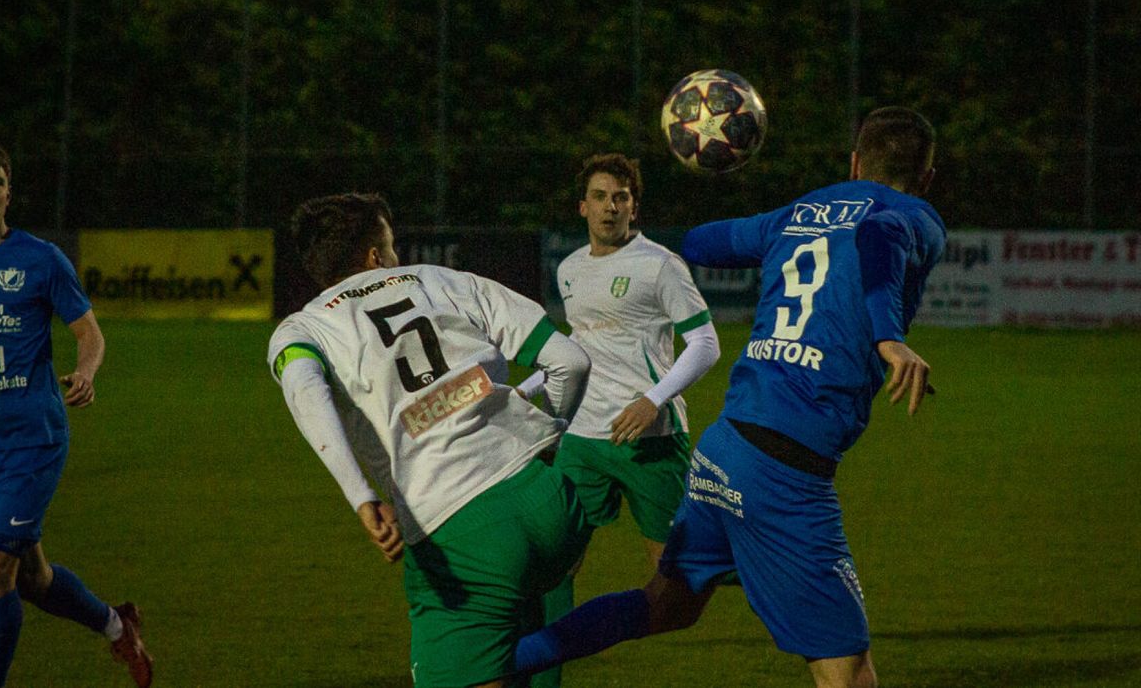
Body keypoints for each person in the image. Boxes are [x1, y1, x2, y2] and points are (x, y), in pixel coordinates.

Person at [513, 106, 946, 688]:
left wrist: (738, 193)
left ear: (854, 162)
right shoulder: (913, 216)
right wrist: (888, 337)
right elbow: (877, 234)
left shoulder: (798, 213)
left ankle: (502, 662)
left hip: (726, 446)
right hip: (785, 472)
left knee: (669, 604)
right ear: (927, 176)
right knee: (848, 671)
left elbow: (700, 241)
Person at [268, 192, 594, 688]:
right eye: (391, 245)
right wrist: (548, 439)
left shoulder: (304, 328)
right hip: (550, 502)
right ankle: (649, 610)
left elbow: (305, 392)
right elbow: (570, 362)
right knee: (525, 640)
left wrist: (362, 498)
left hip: (459, 531)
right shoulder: (444, 280)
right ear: (375, 257)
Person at [0, 138, 153, 688]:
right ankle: (119, 628)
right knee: (31, 579)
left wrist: (86, 371)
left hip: (34, 438)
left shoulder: (40, 259)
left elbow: (89, 334)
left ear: (9, 192)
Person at [520, 153, 720, 688]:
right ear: (582, 206)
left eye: (622, 197)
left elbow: (705, 343)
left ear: (634, 205)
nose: (611, 207)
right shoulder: (569, 269)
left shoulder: (659, 265)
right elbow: (580, 347)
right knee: (551, 561)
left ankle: (752, 561)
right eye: (602, 197)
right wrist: (526, 391)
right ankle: (539, 675)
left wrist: (652, 399)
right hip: (582, 439)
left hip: (650, 440)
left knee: (679, 585)